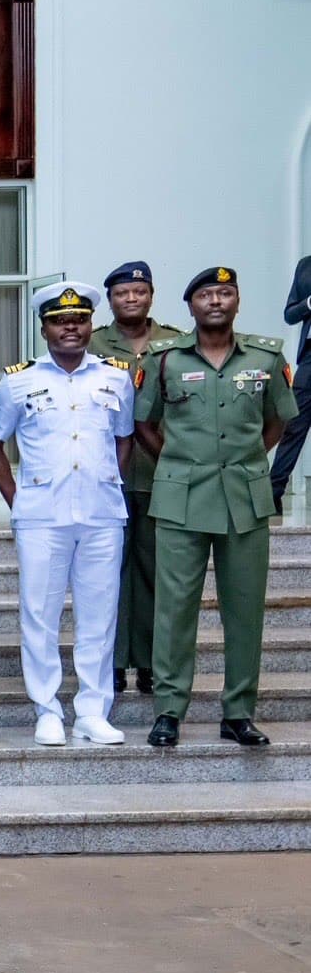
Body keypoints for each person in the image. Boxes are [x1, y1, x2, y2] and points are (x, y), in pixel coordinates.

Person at [134, 265, 296, 748]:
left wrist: (244, 461)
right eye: (206, 295)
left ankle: (239, 712)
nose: (216, 302)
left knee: (244, 611)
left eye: (225, 293)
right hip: (181, 499)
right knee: (174, 610)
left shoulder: (266, 358)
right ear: (191, 306)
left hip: (244, 499)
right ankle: (168, 711)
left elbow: (278, 421)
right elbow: (144, 423)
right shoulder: (164, 358)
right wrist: (180, 462)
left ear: (237, 302)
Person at [0, 283, 133, 746]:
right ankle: (47, 709)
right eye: (59, 320)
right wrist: (18, 500)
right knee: (39, 615)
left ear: (90, 325)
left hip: (102, 514)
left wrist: (108, 480)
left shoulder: (116, 377)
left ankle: (92, 711)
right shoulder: (17, 382)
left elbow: (124, 437)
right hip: (41, 516)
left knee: (99, 617)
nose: (70, 327)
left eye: (79, 319)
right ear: (44, 327)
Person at [89, 260, 185, 696]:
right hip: (105, 474)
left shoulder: (176, 342)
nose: (131, 298)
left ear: (151, 295)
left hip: (160, 473)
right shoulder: (92, 343)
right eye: (122, 293)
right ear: (110, 300)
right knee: (107, 574)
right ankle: (110, 662)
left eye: (139, 291)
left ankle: (148, 662)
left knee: (153, 572)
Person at [272, 255, 311, 508]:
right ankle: (272, 493)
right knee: (293, 424)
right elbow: (290, 314)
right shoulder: (306, 266)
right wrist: (309, 302)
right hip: (310, 358)